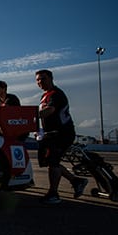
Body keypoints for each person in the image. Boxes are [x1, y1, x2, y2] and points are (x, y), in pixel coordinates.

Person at [35, 69, 88, 204]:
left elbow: (50, 110)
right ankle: (77, 181)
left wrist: (30, 116)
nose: (40, 82)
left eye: (43, 78)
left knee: (53, 163)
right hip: (50, 135)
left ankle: (53, 194)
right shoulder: (44, 96)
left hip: (63, 134)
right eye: (38, 80)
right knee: (52, 163)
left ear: (51, 79)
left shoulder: (56, 94)